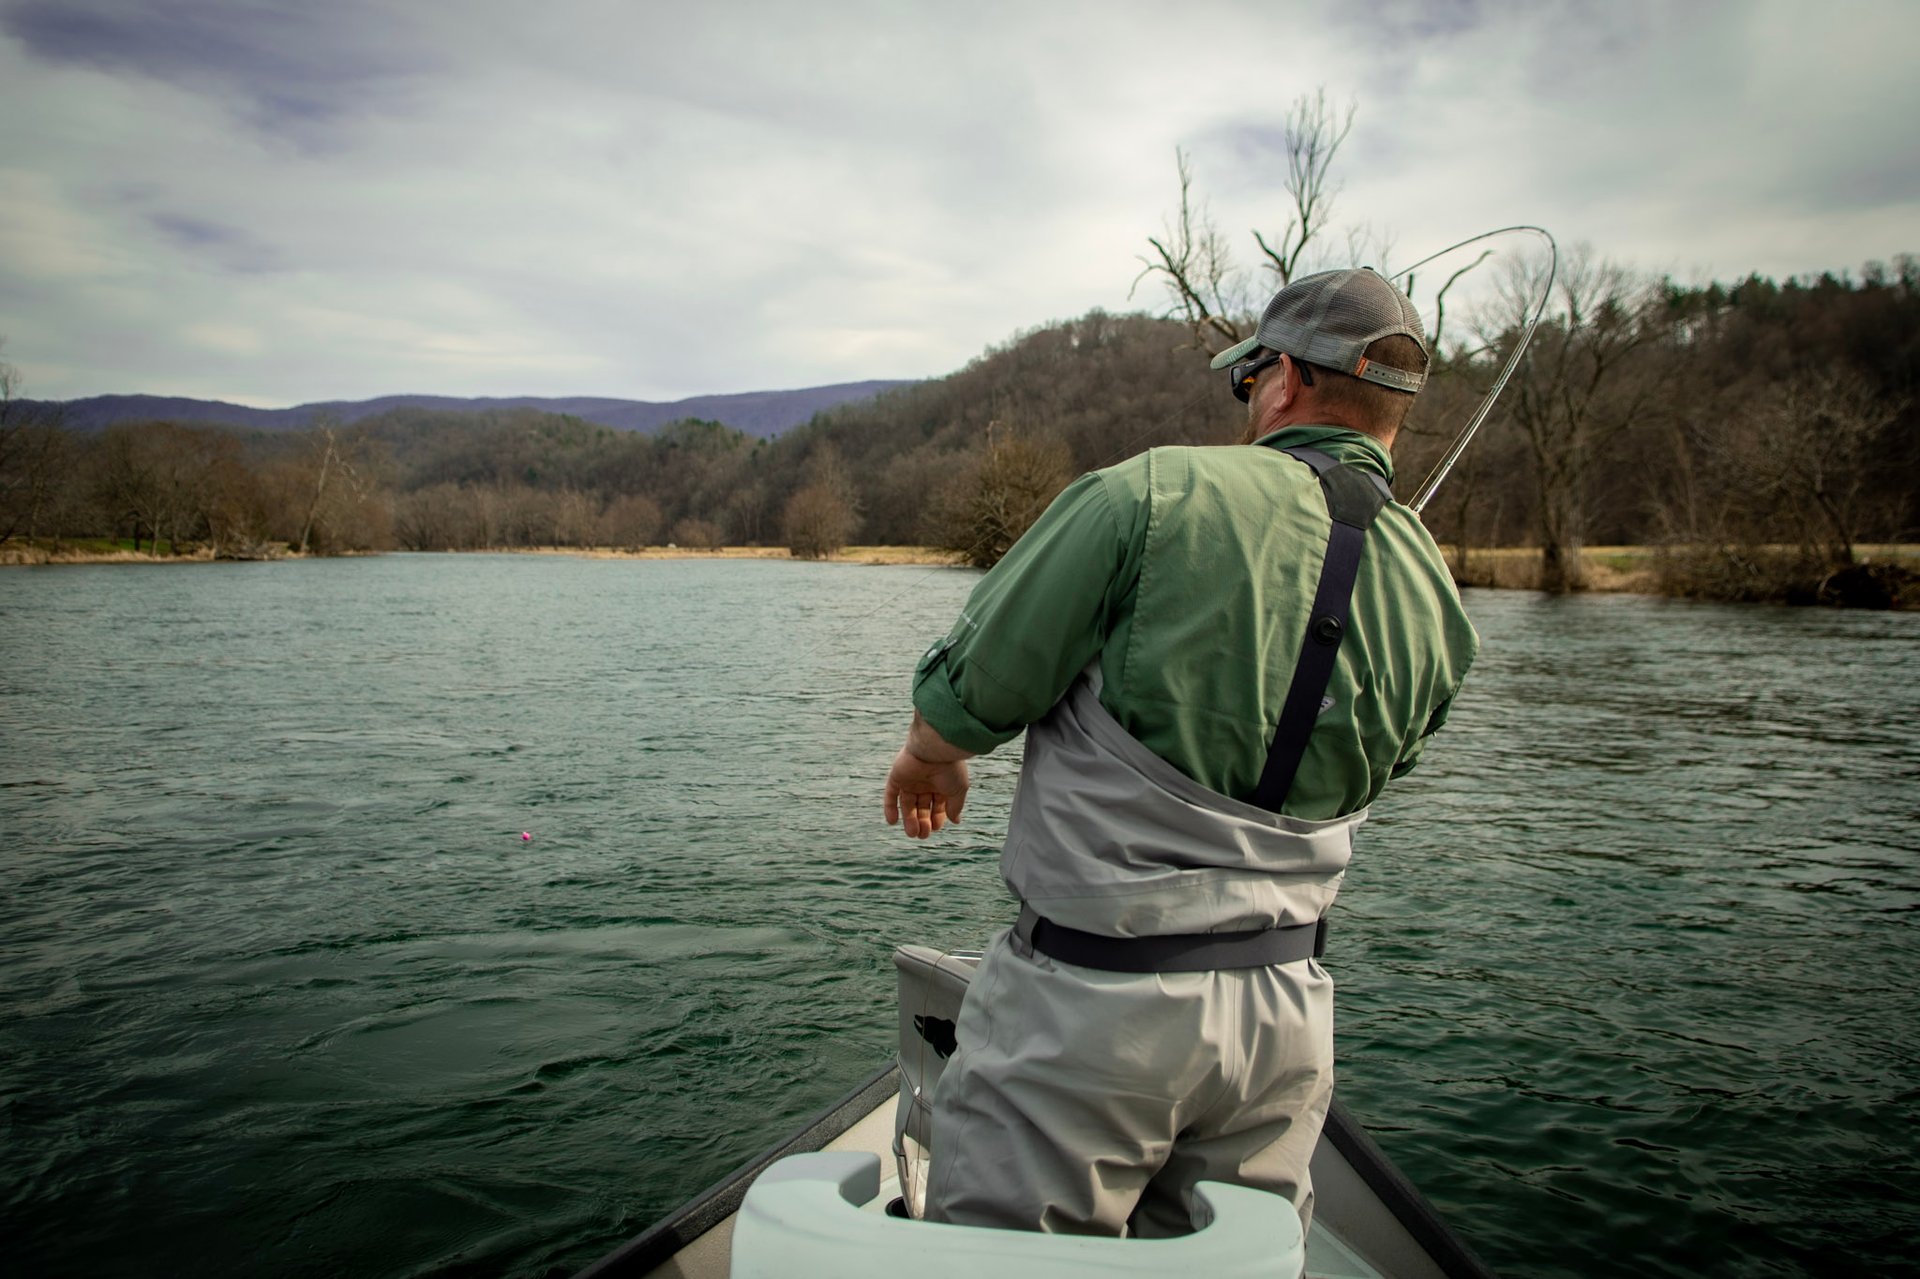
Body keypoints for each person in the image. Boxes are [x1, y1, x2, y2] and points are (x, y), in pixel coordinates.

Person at [881, 267, 1479, 1243]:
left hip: (1089, 1011)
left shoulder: (1151, 493)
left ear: (1280, 377)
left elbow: (981, 678)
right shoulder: (1436, 593)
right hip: (1287, 1027)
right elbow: (1387, 765)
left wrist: (928, 753)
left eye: (1247, 383)